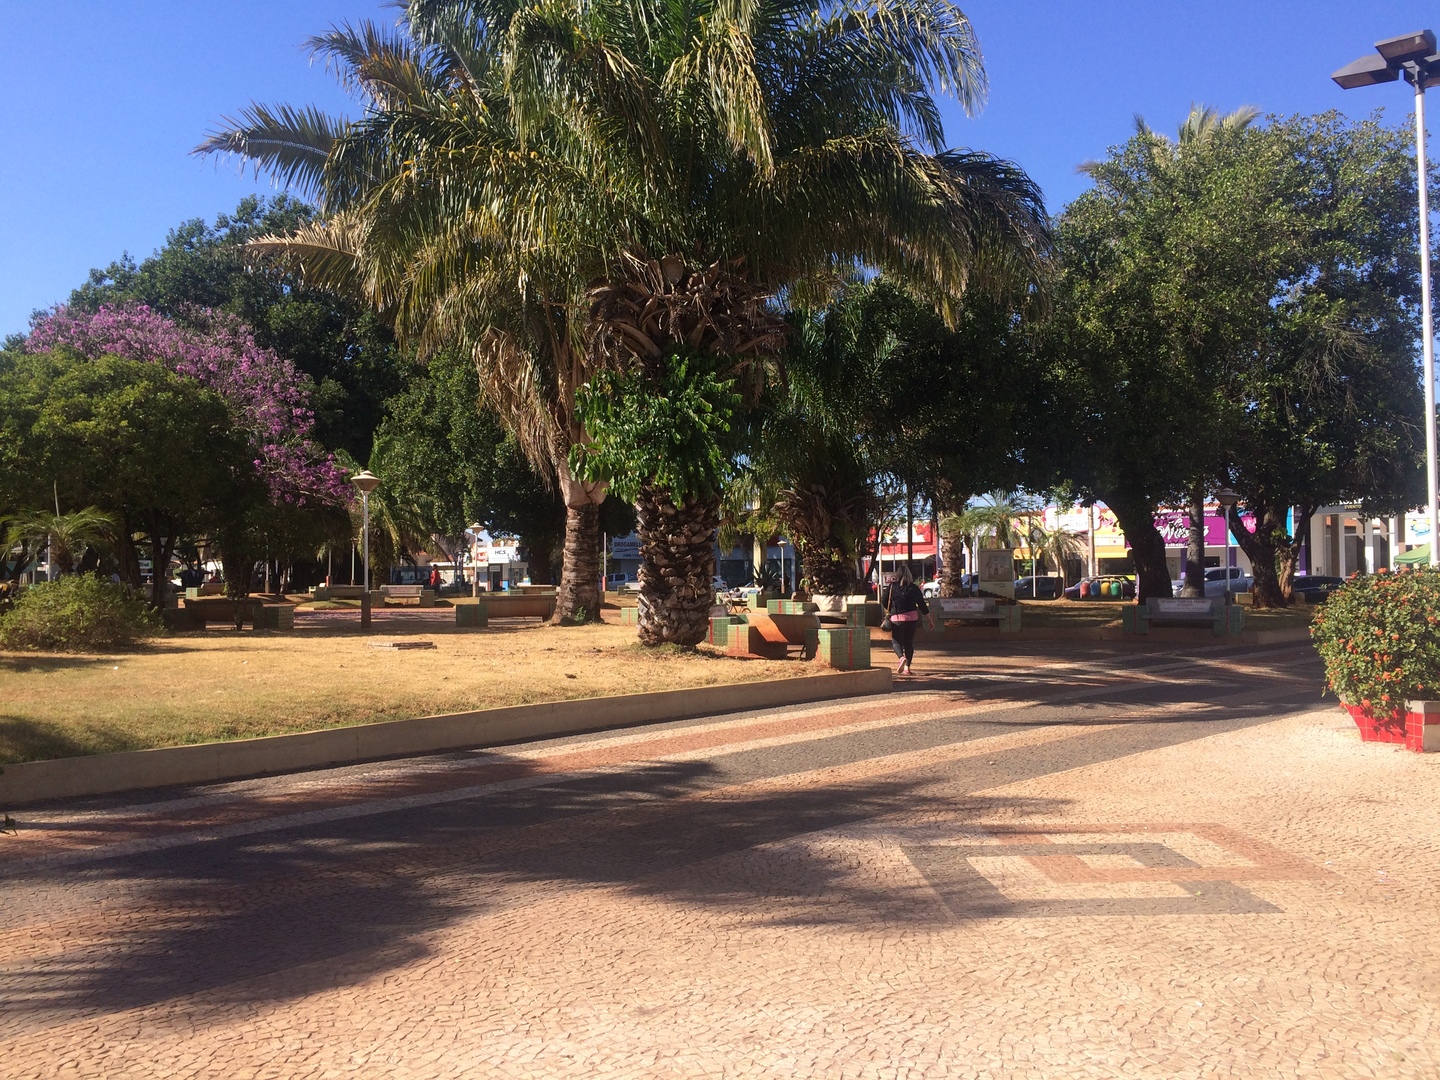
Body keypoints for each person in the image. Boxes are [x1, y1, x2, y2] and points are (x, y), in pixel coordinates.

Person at [883, 564, 933, 676]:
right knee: (908, 643)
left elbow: (884, 600)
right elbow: (922, 606)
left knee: (896, 641)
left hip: (897, 618)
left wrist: (891, 609)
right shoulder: (914, 588)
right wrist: (930, 620)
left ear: (898, 574)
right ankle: (907, 668)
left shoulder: (892, 587)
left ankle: (901, 657)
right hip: (912, 618)